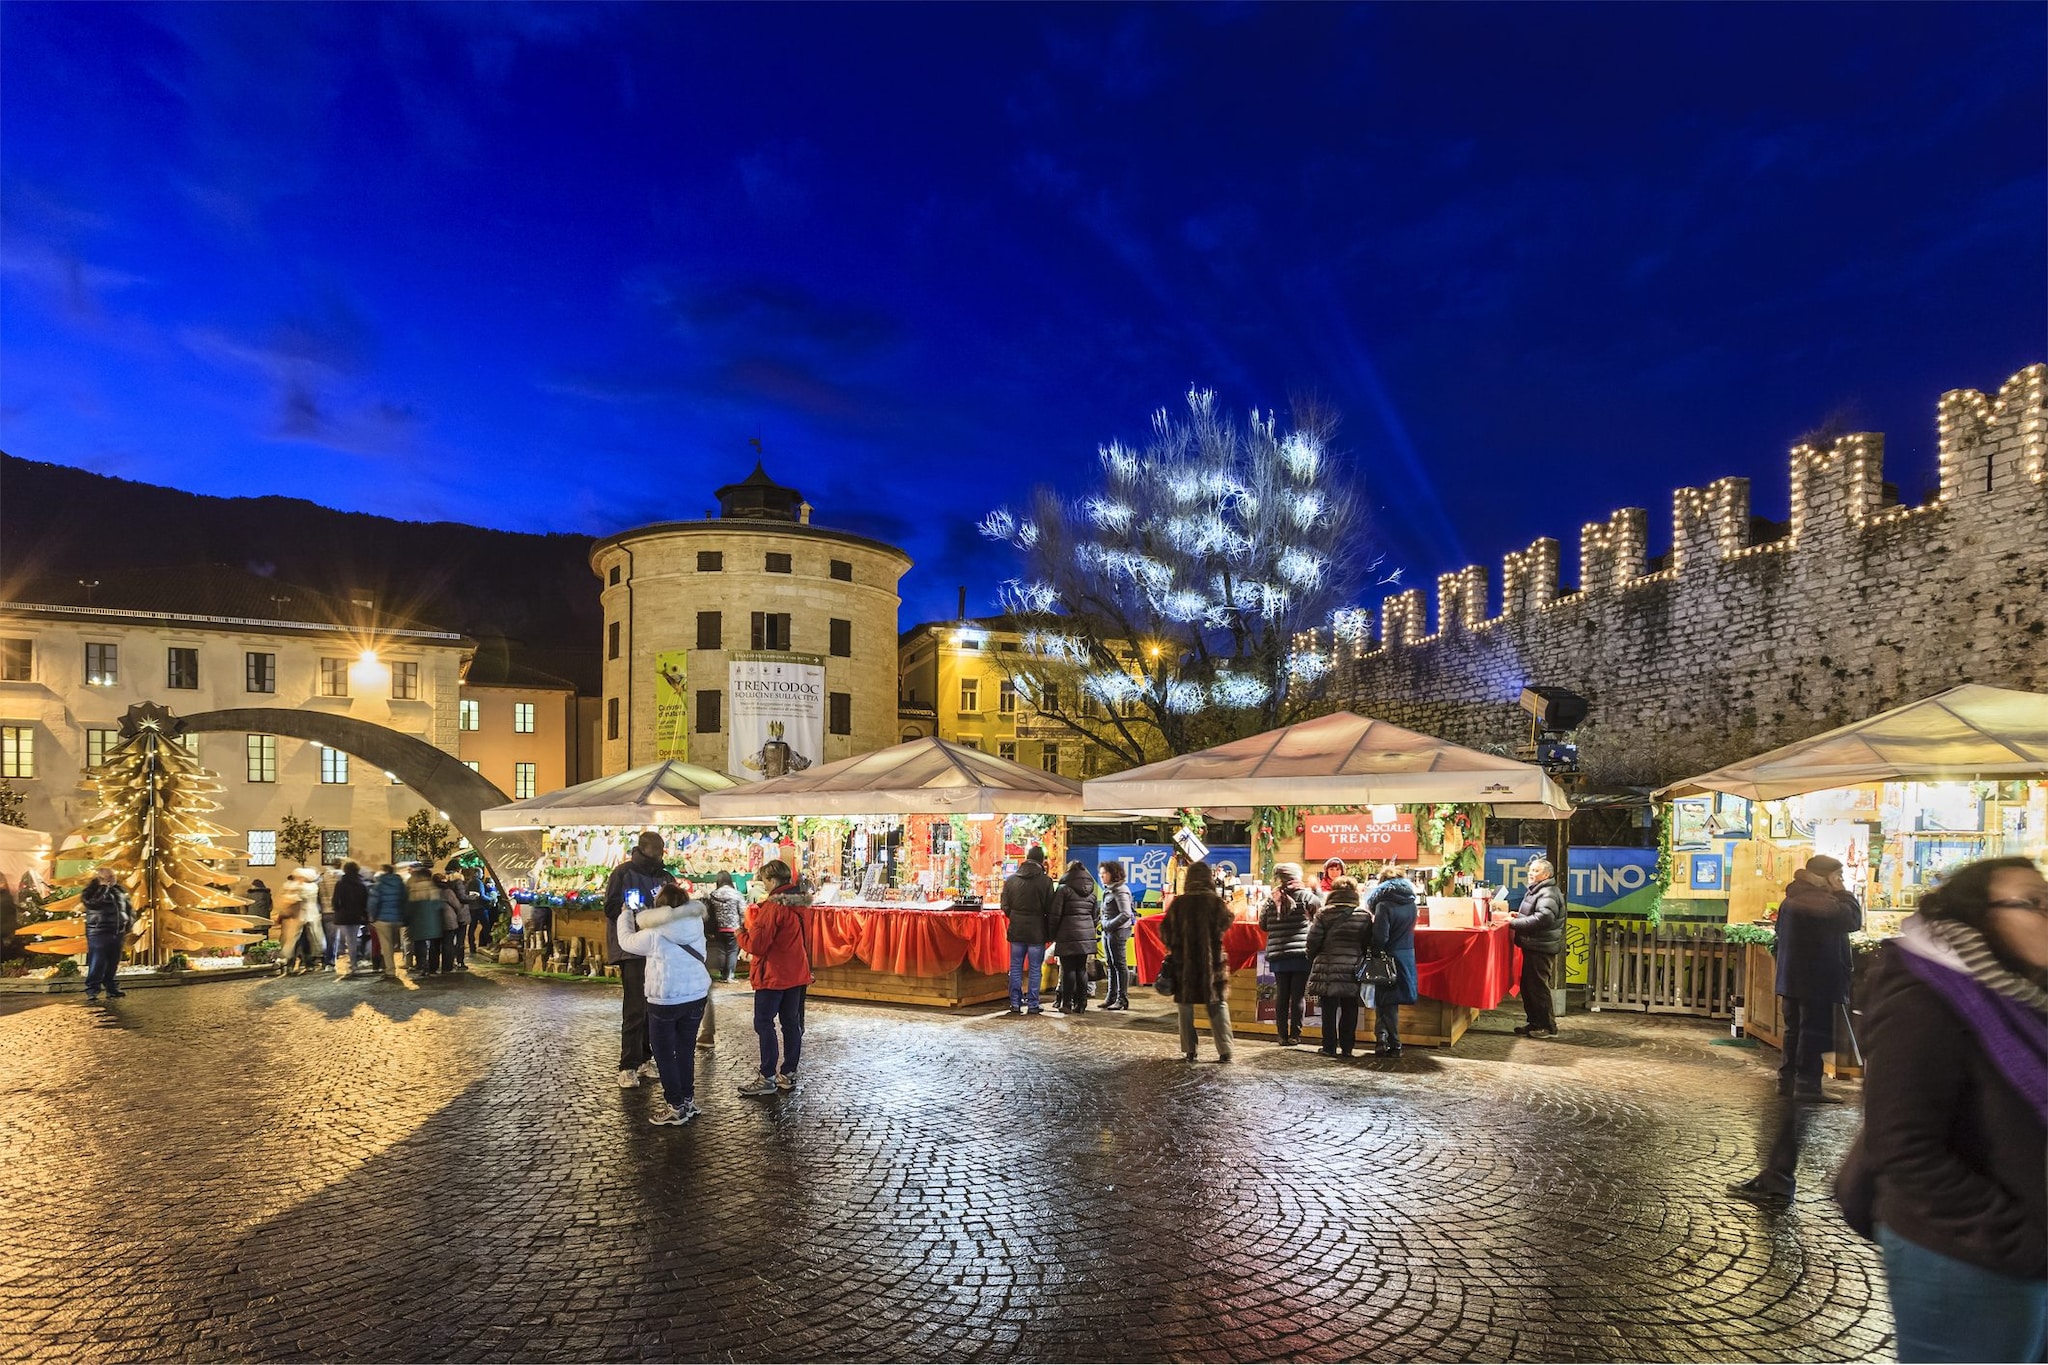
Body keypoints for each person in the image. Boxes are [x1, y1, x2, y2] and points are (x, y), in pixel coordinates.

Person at [1830, 856, 2046, 1362]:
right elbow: (1902, 1147)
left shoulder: (2021, 995)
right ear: (1981, 915)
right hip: (1962, 1258)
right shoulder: (1924, 998)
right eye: (2034, 902)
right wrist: (2017, 1238)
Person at [616, 880, 714, 1126]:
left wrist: (625, 915)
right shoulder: (696, 924)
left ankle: (676, 1106)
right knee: (685, 1049)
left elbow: (626, 941)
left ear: (660, 907)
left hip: (666, 999)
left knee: (664, 1054)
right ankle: (688, 1100)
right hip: (696, 995)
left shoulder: (654, 934)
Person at [1771, 854, 1863, 1101]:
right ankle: (1807, 1085)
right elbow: (1853, 920)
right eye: (1838, 876)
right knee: (1813, 1031)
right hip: (1816, 978)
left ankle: (1787, 1081)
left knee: (1794, 1030)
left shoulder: (1792, 897)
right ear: (1826, 877)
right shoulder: (1820, 900)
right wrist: (1843, 892)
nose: (1841, 880)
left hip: (1792, 976)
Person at [739, 860, 813, 1096]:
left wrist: (740, 934)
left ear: (772, 880)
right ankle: (788, 1073)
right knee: (791, 1022)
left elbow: (758, 945)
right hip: (796, 972)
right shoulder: (801, 905)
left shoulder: (773, 908)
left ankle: (767, 1076)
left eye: (764, 881)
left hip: (773, 974)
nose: (763, 885)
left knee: (764, 1022)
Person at [603, 832, 670, 1089]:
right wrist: (630, 913)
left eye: (662, 850)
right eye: (656, 850)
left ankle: (644, 1059)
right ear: (644, 849)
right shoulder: (622, 873)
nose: (660, 854)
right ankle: (628, 1065)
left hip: (658, 948)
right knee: (634, 1008)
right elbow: (610, 907)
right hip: (632, 949)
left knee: (652, 1005)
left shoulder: (665, 876)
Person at [1161, 861, 1233, 1063]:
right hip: (1211, 963)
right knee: (1217, 1004)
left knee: (1185, 1006)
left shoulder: (1179, 903)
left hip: (1184, 963)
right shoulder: (1215, 902)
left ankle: (1189, 1049)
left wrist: (1176, 944)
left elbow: (1165, 931)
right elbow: (1227, 921)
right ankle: (1225, 1049)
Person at [1306, 878, 1370, 1057]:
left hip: (1327, 967)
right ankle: (1347, 1048)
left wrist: (1312, 958)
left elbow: (1313, 940)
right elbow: (1367, 943)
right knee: (1350, 1008)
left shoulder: (1324, 913)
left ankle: (1329, 1047)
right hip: (1353, 968)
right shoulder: (1363, 915)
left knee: (1328, 1009)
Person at [1260, 863, 1318, 1046]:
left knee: (1282, 995)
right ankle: (1295, 1035)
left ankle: (1282, 1035)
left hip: (1278, 954)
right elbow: (1320, 916)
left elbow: (1263, 925)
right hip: (1300, 954)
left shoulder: (1272, 898)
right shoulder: (1307, 896)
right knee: (1298, 995)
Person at [1509, 857, 1566, 1038]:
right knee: (1529, 986)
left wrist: (1515, 923)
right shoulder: (1538, 890)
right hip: (1534, 944)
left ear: (1546, 875)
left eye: (1536, 871)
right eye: (1530, 870)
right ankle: (1535, 1023)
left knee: (1538, 987)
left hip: (1541, 947)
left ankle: (1547, 1027)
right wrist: (1518, 916)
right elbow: (1535, 914)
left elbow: (1544, 918)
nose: (1531, 874)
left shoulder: (1548, 892)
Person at [1366, 867, 1420, 1057]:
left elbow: (1381, 936)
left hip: (1388, 956)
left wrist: (1374, 951)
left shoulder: (1383, 905)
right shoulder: (1411, 903)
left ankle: (1394, 1043)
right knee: (1386, 1001)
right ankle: (1382, 1040)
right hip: (1406, 955)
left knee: (1387, 1001)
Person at [1000, 845, 1060, 1015]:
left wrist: (1015, 916)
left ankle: (1015, 1003)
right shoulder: (1045, 881)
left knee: (1016, 967)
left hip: (1017, 930)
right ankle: (1033, 1004)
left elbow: (1004, 905)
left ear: (1026, 858)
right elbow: (1050, 907)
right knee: (1035, 968)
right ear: (1042, 861)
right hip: (1037, 932)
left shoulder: (1011, 880)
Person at [1050, 861, 1100, 1013]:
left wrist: (1052, 933)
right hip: (1086, 935)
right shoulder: (1091, 892)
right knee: (1081, 969)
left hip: (1067, 934)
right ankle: (1081, 1004)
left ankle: (1067, 1004)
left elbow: (1055, 914)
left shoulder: (1063, 889)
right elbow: (1095, 917)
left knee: (1068, 969)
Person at [81, 867, 131, 1003]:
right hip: (98, 932)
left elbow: (127, 908)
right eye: (110, 877)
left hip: (117, 931)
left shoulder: (119, 890)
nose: (113, 879)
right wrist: (103, 888)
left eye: (113, 876)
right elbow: (92, 903)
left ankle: (111, 987)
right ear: (101, 878)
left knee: (113, 962)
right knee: (97, 961)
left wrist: (128, 924)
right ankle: (92, 989)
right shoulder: (91, 890)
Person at [1098, 861, 1137, 1011]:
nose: (1101, 876)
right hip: (1108, 932)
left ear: (1113, 874)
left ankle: (1122, 999)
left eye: (1104, 873)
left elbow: (1126, 914)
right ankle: (1111, 997)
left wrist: (1108, 925)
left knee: (1119, 965)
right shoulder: (1108, 890)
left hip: (1118, 932)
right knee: (1111, 964)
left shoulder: (1120, 890)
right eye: (1100, 873)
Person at [277, 868, 324, 976]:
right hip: (298, 919)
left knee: (303, 942)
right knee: (296, 943)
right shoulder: (295, 886)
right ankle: (294, 965)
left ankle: (306, 964)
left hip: (305, 918)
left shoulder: (309, 887)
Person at [369, 863, 410, 985]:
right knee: (393, 944)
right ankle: (391, 966)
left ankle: (390, 970)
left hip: (382, 918)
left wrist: (372, 917)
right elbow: (405, 900)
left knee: (386, 946)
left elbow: (373, 902)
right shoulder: (401, 884)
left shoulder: (379, 884)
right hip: (397, 918)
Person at [329, 862, 371, 978]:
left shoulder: (340, 884)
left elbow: (336, 900)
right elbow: (365, 901)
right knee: (354, 938)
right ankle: (354, 962)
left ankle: (353, 963)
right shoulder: (361, 884)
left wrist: (337, 910)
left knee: (349, 939)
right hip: (357, 915)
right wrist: (364, 915)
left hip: (343, 915)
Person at [404, 864, 443, 975]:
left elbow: (408, 907)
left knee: (419, 945)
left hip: (417, 922)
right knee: (433, 945)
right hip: (433, 922)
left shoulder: (413, 888)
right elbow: (438, 905)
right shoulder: (433, 887)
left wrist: (407, 920)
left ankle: (422, 965)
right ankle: (433, 967)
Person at [705, 871, 745, 981]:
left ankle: (723, 973)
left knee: (721, 950)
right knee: (732, 951)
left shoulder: (713, 894)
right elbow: (743, 911)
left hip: (718, 927)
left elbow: (709, 912)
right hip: (734, 927)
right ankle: (730, 974)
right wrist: (742, 925)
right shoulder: (736, 894)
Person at [438, 873, 469, 972]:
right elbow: (460, 901)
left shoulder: (446, 887)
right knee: (459, 941)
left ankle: (450, 962)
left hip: (449, 918)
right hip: (459, 916)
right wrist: (473, 897)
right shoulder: (457, 885)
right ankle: (459, 962)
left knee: (449, 942)